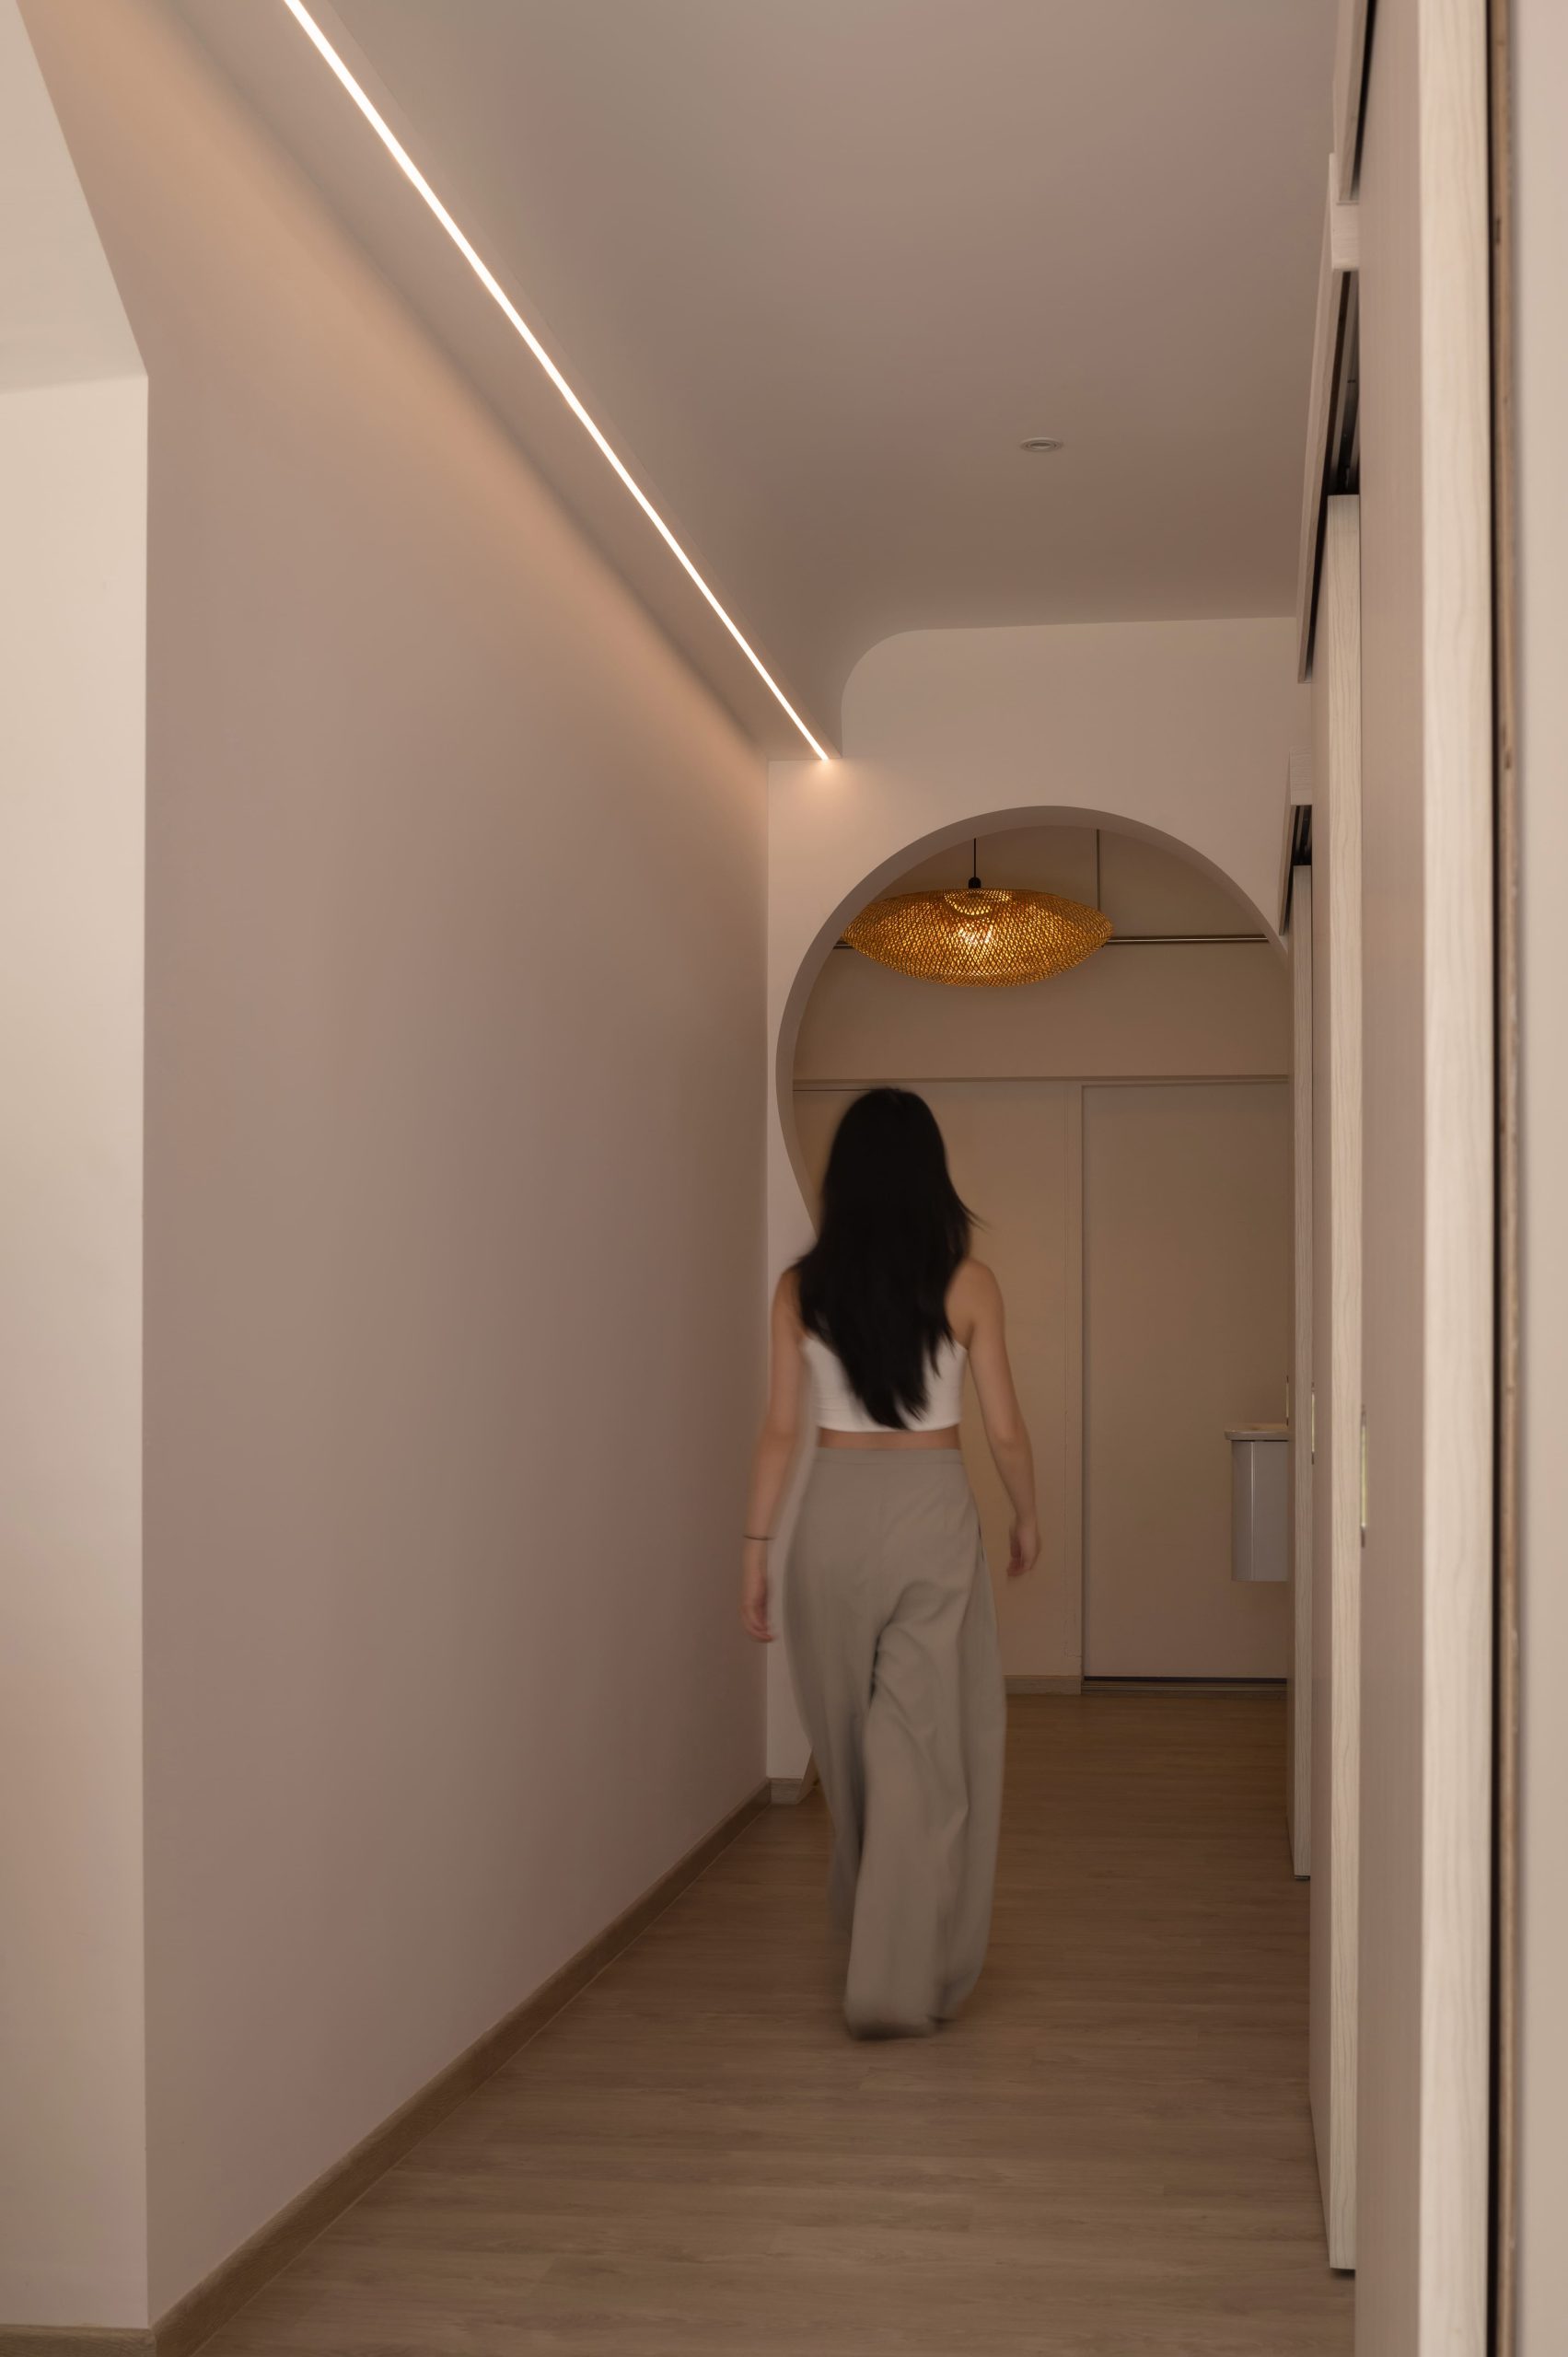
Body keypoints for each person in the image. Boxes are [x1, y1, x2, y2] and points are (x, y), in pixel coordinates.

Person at [740, 1087, 1038, 2038]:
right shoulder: (971, 1284)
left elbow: (779, 1430)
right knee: (920, 1750)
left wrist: (754, 1548)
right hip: (931, 1515)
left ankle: (883, 1948)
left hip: (829, 1521)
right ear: (929, 1176)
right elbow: (1003, 1429)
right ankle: (899, 1968)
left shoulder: (799, 1290)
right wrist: (1026, 1513)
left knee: (850, 1756)